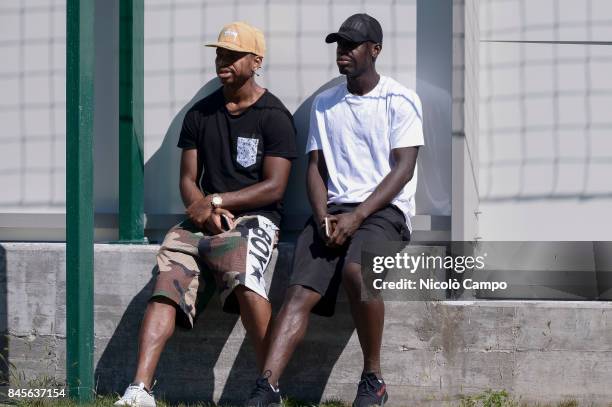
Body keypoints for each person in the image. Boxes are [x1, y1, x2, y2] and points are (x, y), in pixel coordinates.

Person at [115, 21, 297, 407]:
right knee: (168, 281)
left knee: (245, 276)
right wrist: (202, 211)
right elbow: (187, 179)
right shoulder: (201, 114)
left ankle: (270, 387)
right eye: (220, 53)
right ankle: (139, 391)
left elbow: (275, 187)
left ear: (256, 61)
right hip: (204, 217)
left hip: (256, 217)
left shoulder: (274, 115)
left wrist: (218, 202)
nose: (223, 61)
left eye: (233, 55)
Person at [246, 13, 424, 407]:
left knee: (356, 272)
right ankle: (268, 387)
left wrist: (358, 217)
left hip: (384, 212)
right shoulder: (326, 104)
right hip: (332, 212)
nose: (342, 52)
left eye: (352, 45)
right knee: (297, 293)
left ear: (374, 50)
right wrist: (322, 214)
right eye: (339, 45)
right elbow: (315, 169)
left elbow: (404, 168)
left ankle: (373, 378)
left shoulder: (400, 98)